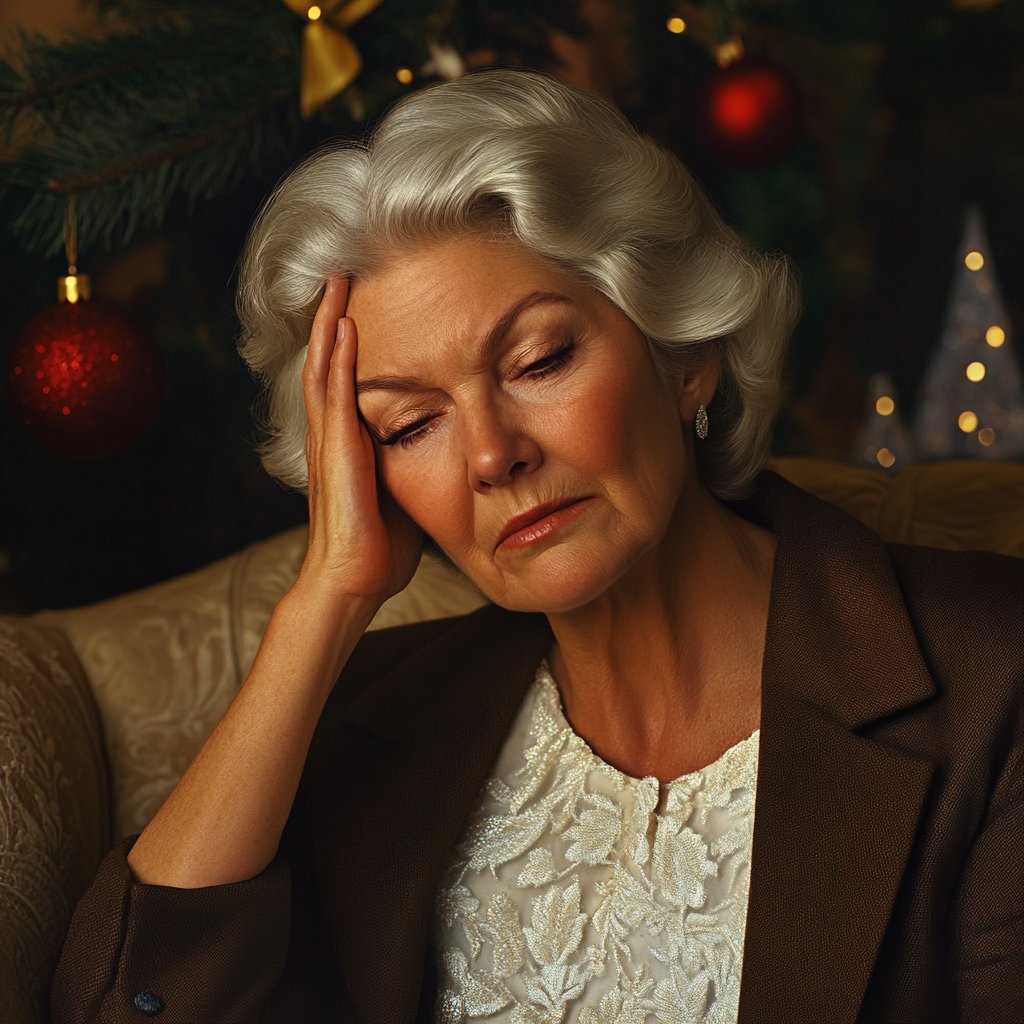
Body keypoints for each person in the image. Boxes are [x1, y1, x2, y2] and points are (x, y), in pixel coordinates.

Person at [52, 69, 1022, 1024]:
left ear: (683, 353)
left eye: (539, 360)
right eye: (407, 425)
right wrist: (326, 601)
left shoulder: (990, 677)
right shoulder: (367, 721)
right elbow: (134, 1005)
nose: (490, 455)